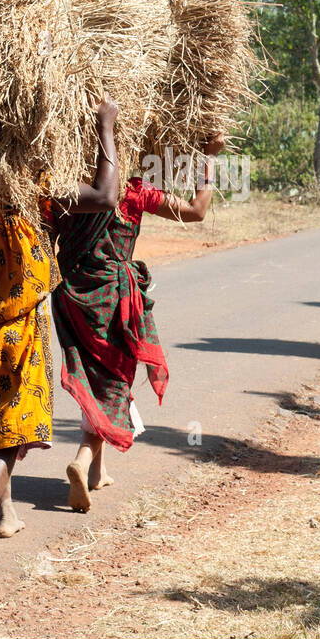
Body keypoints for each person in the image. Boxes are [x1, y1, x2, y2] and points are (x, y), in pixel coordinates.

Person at [0, 97, 120, 568]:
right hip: (13, 315)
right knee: (14, 414)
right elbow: (104, 196)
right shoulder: (27, 181)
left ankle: (6, 511)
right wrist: (106, 127)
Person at [52, 133, 227, 512]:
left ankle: (97, 471)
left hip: (72, 297)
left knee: (93, 375)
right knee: (112, 382)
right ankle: (82, 461)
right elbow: (197, 211)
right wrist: (208, 160)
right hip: (114, 300)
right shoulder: (133, 192)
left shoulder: (61, 193)